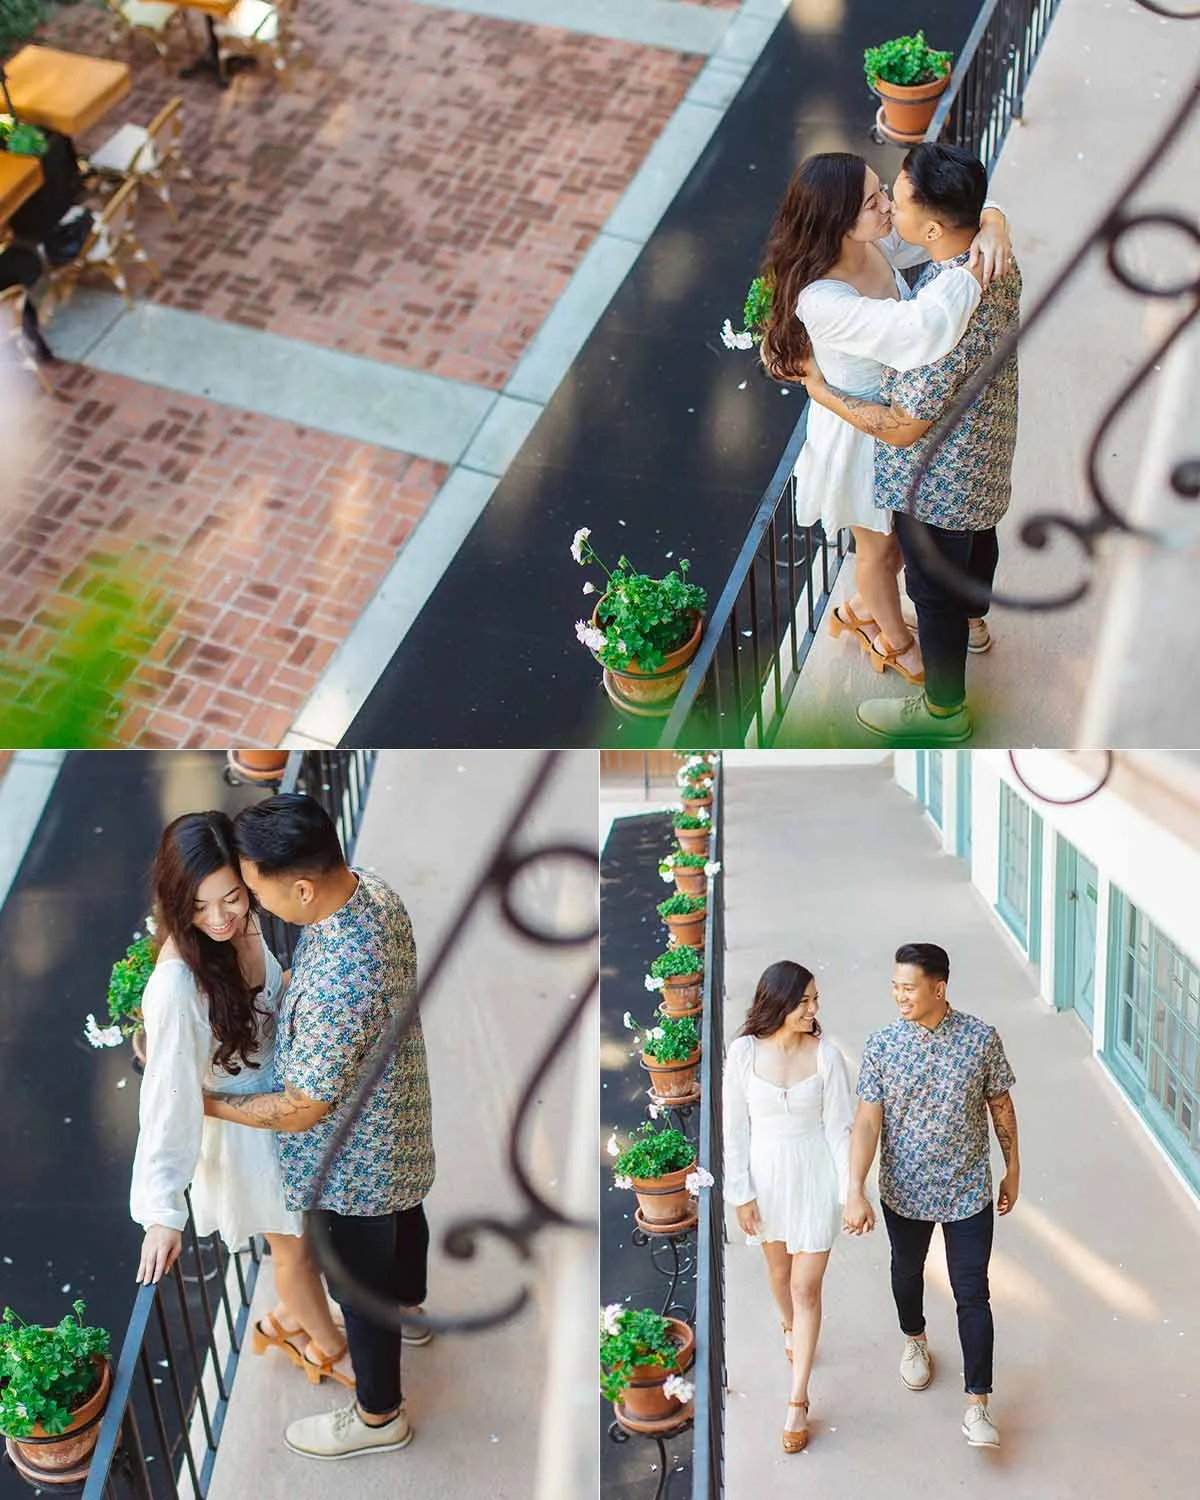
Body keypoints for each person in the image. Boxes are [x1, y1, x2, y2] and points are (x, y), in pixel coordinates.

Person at [203, 793, 435, 1463]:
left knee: (359, 1290)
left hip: (350, 1163)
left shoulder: (339, 975)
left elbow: (304, 1106)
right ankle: (411, 1312)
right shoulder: (375, 894)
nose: (251, 902)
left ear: (302, 886)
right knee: (408, 1220)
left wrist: (210, 1105)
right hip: (398, 1119)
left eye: (254, 889)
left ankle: (378, 1414)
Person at [758, 152, 1012, 684]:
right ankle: (895, 642)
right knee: (878, 549)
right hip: (861, 427)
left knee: (899, 545)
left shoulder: (872, 237)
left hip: (898, 411)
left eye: (882, 190)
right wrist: (974, 265)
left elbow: (939, 220)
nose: (887, 205)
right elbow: (920, 327)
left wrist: (993, 220)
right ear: (837, 223)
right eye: (873, 200)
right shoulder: (821, 298)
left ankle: (866, 611)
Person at [129, 811, 353, 1387]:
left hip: (288, 1100)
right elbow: (167, 1095)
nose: (220, 918)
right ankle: (331, 1348)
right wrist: (161, 1211)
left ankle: (287, 1319)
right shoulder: (177, 985)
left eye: (232, 897)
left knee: (310, 1235)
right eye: (199, 907)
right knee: (295, 1249)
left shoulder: (244, 924)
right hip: (244, 1127)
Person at [843, 943, 1020, 1449]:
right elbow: (867, 1122)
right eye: (895, 986)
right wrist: (854, 1188)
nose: (898, 995)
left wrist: (1013, 1169)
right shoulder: (881, 1046)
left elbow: (1001, 1107)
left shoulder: (981, 1039)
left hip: (968, 1192)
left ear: (938, 988)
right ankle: (915, 1340)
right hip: (905, 1192)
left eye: (908, 987)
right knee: (906, 1271)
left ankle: (978, 1405)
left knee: (973, 1293)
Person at [722, 961, 855, 1453]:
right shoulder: (742, 1053)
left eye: (815, 1000)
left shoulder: (827, 1057)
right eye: (804, 1002)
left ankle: (797, 1399)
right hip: (766, 1178)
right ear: (777, 1003)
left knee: (805, 1286)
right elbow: (734, 1128)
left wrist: (851, 1193)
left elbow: (840, 1129)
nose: (814, 1010)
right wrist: (741, 1193)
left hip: (815, 1176)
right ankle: (789, 1328)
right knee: (779, 1277)